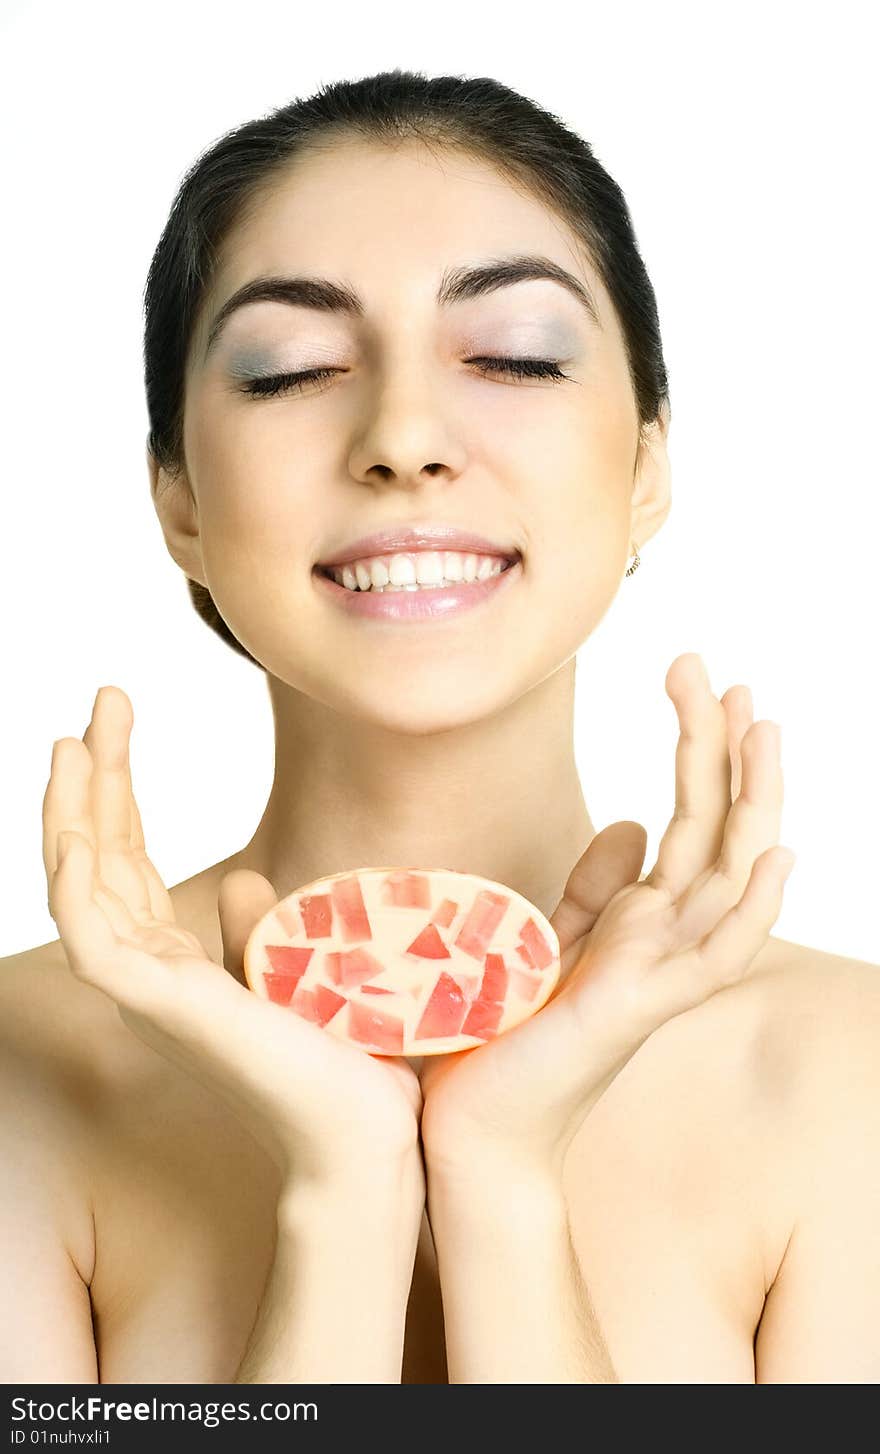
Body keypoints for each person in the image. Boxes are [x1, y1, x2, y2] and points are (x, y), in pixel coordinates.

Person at [2, 68, 878, 1387]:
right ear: (174, 494)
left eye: (515, 354)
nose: (405, 436)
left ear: (647, 466)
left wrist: (502, 1178)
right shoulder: (23, 1068)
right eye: (290, 369)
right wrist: (344, 1195)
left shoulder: (847, 1075)